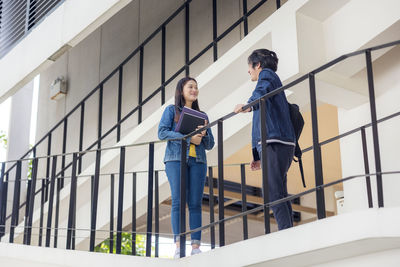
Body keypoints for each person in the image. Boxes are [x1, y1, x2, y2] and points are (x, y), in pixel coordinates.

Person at [234, 49, 295, 230]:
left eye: (249, 67)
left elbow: (262, 89)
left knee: (272, 192)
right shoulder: (270, 85)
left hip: (275, 141)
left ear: (257, 65)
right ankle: (288, 229)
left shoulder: (267, 75)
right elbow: (260, 121)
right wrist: (257, 153)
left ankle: (286, 233)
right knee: (278, 190)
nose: (248, 71)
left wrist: (247, 105)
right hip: (278, 142)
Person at [158, 77, 215, 258]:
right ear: (181, 90)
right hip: (176, 159)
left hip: (197, 161)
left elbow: (210, 144)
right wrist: (190, 138)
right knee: (178, 201)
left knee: (195, 203)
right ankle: (178, 246)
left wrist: (203, 134)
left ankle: (196, 246)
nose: (194, 90)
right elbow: (162, 132)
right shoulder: (171, 110)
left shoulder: (203, 115)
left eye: (196, 87)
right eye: (190, 86)